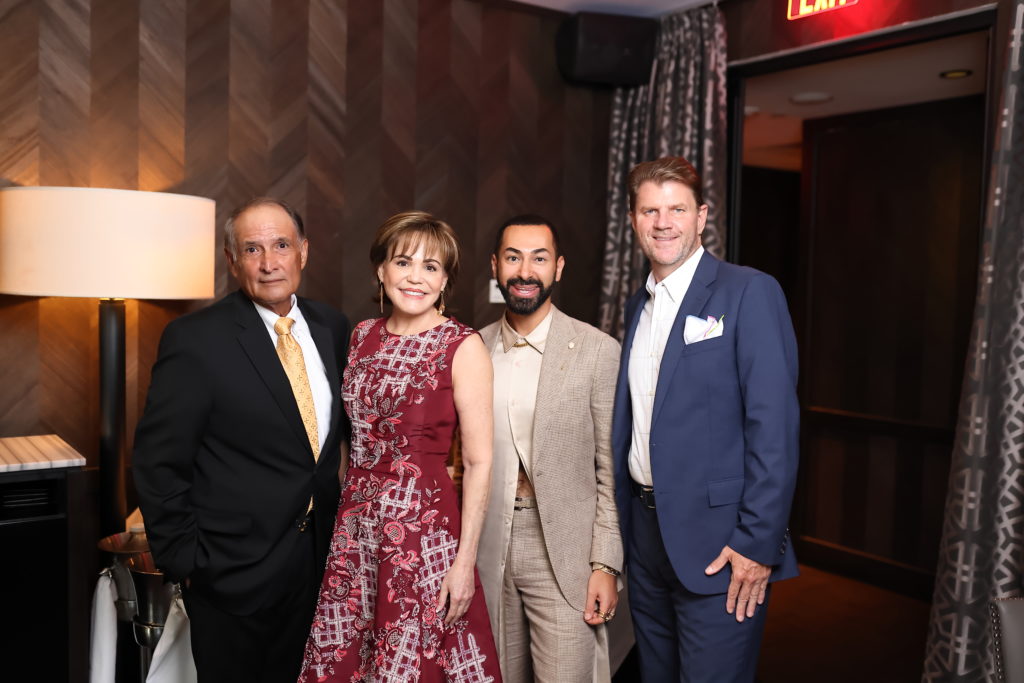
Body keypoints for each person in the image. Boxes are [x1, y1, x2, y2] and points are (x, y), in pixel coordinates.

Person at [133, 197, 350, 682]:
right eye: (253, 249)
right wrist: (187, 563)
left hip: (319, 566)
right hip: (231, 575)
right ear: (232, 261)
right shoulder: (195, 340)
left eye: (281, 245)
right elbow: (157, 462)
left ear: (304, 251)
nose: (270, 262)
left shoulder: (334, 328)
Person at [612, 156, 800, 682]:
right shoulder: (637, 307)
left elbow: (774, 429)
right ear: (633, 220)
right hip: (645, 539)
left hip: (723, 546)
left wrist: (756, 543)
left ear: (701, 216)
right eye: (650, 211)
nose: (663, 222)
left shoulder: (748, 292)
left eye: (677, 209)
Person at [298, 211, 502, 682]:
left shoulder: (462, 345)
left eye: (431, 266)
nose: (415, 277)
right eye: (403, 262)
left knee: (412, 662)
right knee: (351, 659)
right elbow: (348, 438)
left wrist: (464, 562)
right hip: (356, 531)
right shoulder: (362, 336)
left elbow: (479, 461)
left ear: (445, 280)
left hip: (422, 533)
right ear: (381, 270)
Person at [476, 215, 622, 682]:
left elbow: (610, 471)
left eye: (539, 258)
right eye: (513, 257)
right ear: (495, 266)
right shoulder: (473, 348)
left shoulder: (598, 351)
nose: (525, 271)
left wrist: (605, 564)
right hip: (488, 545)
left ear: (558, 267)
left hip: (565, 552)